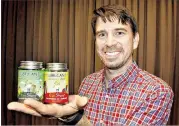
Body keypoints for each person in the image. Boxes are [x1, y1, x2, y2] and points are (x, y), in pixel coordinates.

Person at [7, 4, 174, 125]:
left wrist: (76, 120)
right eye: (102, 34)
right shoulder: (88, 82)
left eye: (119, 33)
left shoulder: (157, 91)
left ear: (135, 40)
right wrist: (66, 116)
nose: (109, 43)